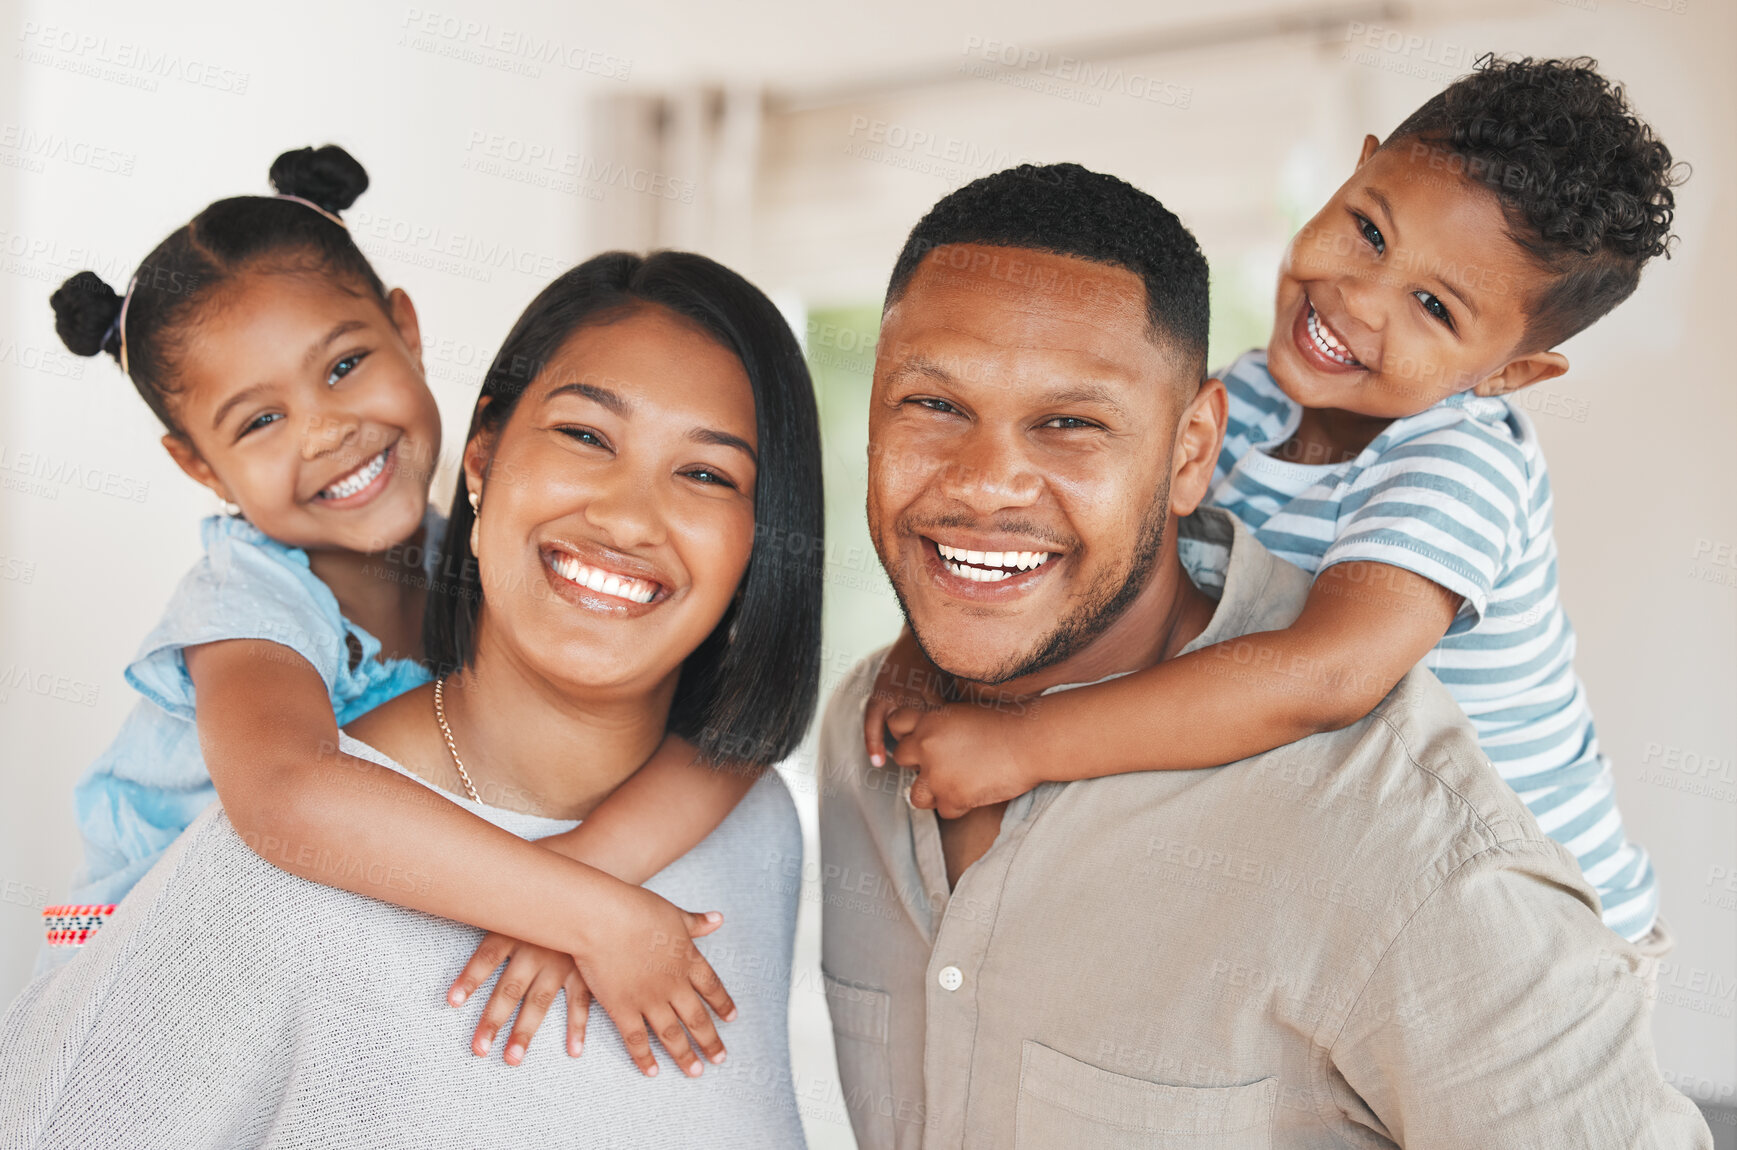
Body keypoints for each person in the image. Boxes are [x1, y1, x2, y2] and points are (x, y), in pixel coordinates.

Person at [818, 163, 1710, 1148]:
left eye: (1071, 422)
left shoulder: (1412, 850)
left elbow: (1329, 675)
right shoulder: (860, 730)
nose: (985, 485)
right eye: (934, 405)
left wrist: (1024, 740)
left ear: (1192, 448)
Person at [2, 250, 821, 1148]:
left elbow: (736, 745)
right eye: (585, 435)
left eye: (707, 474)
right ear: (484, 461)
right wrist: (592, 910)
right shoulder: (254, 657)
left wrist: (587, 869)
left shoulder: (758, 825)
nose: (626, 518)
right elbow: (284, 795)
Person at [863, 56, 1679, 944]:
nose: (1357, 301)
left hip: (1532, 922)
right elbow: (1076, 528)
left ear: (1510, 372)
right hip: (1364, 880)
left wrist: (1024, 745)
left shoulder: (1459, 463)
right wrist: (926, 650)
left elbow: (1325, 676)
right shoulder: (1244, 397)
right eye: (1368, 231)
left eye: (1433, 307)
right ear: (1350, 173)